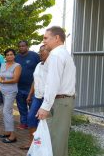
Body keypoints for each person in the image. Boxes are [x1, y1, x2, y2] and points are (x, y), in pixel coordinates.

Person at [36, 26, 76, 156]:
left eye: (46, 38)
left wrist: (45, 106)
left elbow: (52, 83)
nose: (44, 41)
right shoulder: (64, 54)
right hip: (63, 101)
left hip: (59, 102)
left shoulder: (56, 55)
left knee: (55, 141)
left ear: (57, 38)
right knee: (58, 140)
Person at [19, 45, 49, 150]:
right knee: (31, 117)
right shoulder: (39, 65)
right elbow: (35, 81)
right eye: (39, 51)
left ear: (49, 52)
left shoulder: (52, 65)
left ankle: (42, 145)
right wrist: (30, 94)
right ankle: (32, 143)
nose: (40, 53)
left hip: (47, 98)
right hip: (37, 96)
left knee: (44, 121)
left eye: (43, 51)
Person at [0, 48, 21, 143]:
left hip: (11, 92)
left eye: (11, 54)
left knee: (7, 111)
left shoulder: (17, 66)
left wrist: (3, 81)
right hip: (2, 90)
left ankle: (13, 136)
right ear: (5, 56)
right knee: (4, 111)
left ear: (14, 56)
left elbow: (15, 79)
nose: (9, 56)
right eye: (7, 55)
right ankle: (7, 131)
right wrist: (0, 79)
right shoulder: (3, 65)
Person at [15, 41, 40, 129]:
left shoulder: (34, 56)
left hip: (32, 88)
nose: (21, 47)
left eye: (23, 46)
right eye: (20, 46)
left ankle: (33, 125)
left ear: (27, 46)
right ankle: (24, 123)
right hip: (19, 87)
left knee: (33, 108)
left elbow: (41, 67)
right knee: (21, 107)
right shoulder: (16, 58)